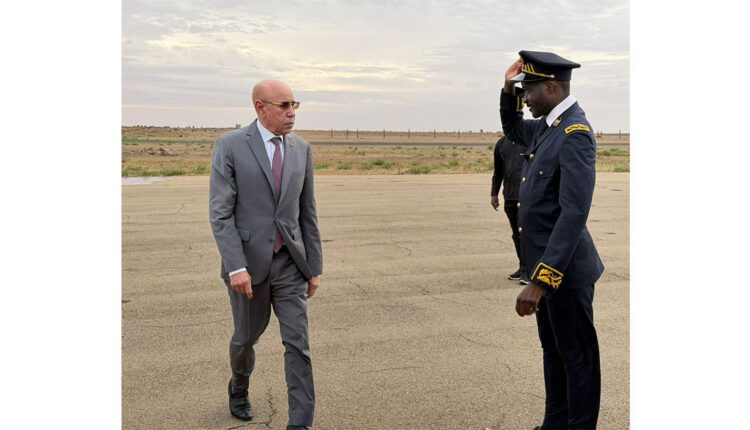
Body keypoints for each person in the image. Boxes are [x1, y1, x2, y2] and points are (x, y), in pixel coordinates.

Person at [500, 51, 605, 429]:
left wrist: (541, 280)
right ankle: (554, 424)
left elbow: (573, 214)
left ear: (550, 87)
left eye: (528, 90)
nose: (524, 97)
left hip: (565, 272)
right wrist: (507, 89)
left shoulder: (574, 133)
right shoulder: (547, 127)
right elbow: (513, 129)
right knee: (554, 352)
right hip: (546, 268)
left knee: (577, 358)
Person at [209, 79, 323, 430]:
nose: (292, 113)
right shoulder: (230, 146)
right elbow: (221, 214)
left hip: (290, 264)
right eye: (284, 105)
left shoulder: (302, 149)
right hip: (247, 267)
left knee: (298, 345)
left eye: (294, 105)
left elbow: (307, 212)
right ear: (260, 108)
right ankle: (239, 385)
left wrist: (314, 268)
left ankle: (300, 423)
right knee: (245, 339)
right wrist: (235, 266)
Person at [491, 135, 529, 285]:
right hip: (509, 197)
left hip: (527, 197)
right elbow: (498, 172)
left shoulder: (529, 139)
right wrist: (494, 194)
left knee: (526, 235)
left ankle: (528, 270)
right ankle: (522, 267)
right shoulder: (501, 143)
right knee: (516, 234)